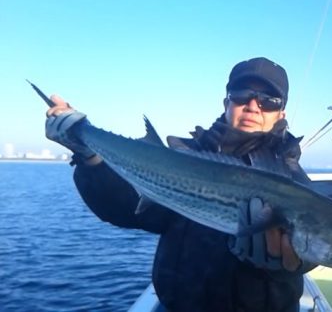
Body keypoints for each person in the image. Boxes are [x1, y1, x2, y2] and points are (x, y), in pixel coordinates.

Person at [45, 57, 315, 312]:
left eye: (268, 100)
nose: (253, 106)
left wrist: (286, 265)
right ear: (227, 102)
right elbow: (130, 210)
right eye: (242, 94)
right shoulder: (182, 158)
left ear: (281, 113)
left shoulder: (293, 182)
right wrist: (89, 156)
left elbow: (317, 245)